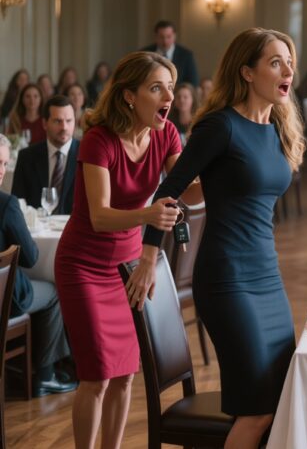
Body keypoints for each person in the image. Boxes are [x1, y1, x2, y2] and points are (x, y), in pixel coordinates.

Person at [142, 28, 305, 448]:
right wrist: (147, 260)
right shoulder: (221, 125)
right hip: (227, 280)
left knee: (281, 399)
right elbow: (168, 190)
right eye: (275, 62)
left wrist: (210, 190)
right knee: (257, 409)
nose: (288, 69)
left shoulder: (278, 129)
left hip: (268, 277)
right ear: (247, 72)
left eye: (289, 60)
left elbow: (220, 186)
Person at [54, 51, 184, 449]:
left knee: (126, 374)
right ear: (130, 96)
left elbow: (186, 188)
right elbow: (99, 216)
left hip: (131, 267)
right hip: (84, 266)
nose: (168, 96)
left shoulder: (167, 134)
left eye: (171, 88)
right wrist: (148, 215)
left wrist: (224, 168)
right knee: (96, 376)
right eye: (157, 87)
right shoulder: (99, 140)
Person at [0, 134, 75, 398]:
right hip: (6, 299)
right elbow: (31, 258)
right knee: (53, 292)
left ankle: (18, 368)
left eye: (3, 163)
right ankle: (45, 375)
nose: (1, 170)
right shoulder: (6, 204)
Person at [12, 95, 80, 214]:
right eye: (57, 121)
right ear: (44, 124)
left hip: (75, 229)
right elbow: (18, 202)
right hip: (37, 229)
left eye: (69, 121)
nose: (64, 127)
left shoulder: (87, 154)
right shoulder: (27, 156)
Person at [142, 20, 200, 86]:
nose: (165, 41)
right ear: (155, 36)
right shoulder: (145, 53)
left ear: (174, 36)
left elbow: (193, 83)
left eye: (168, 37)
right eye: (161, 37)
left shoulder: (186, 55)